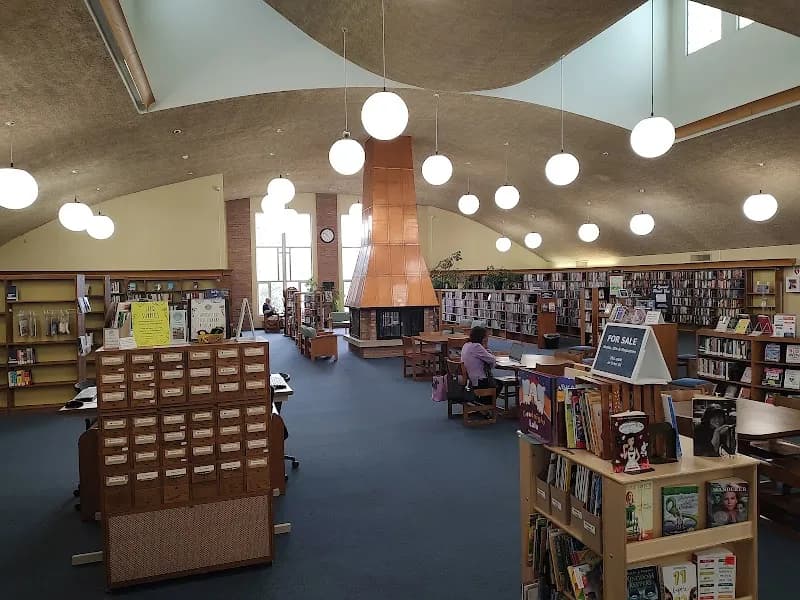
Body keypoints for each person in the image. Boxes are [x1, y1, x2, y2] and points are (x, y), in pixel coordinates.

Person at [460, 326, 503, 397]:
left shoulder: (466, 345)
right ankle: (486, 403)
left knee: (495, 382)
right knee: (499, 383)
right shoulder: (477, 347)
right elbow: (492, 360)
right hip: (477, 382)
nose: (487, 338)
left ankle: (483, 400)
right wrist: (485, 346)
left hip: (469, 381)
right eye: (486, 336)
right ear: (482, 337)